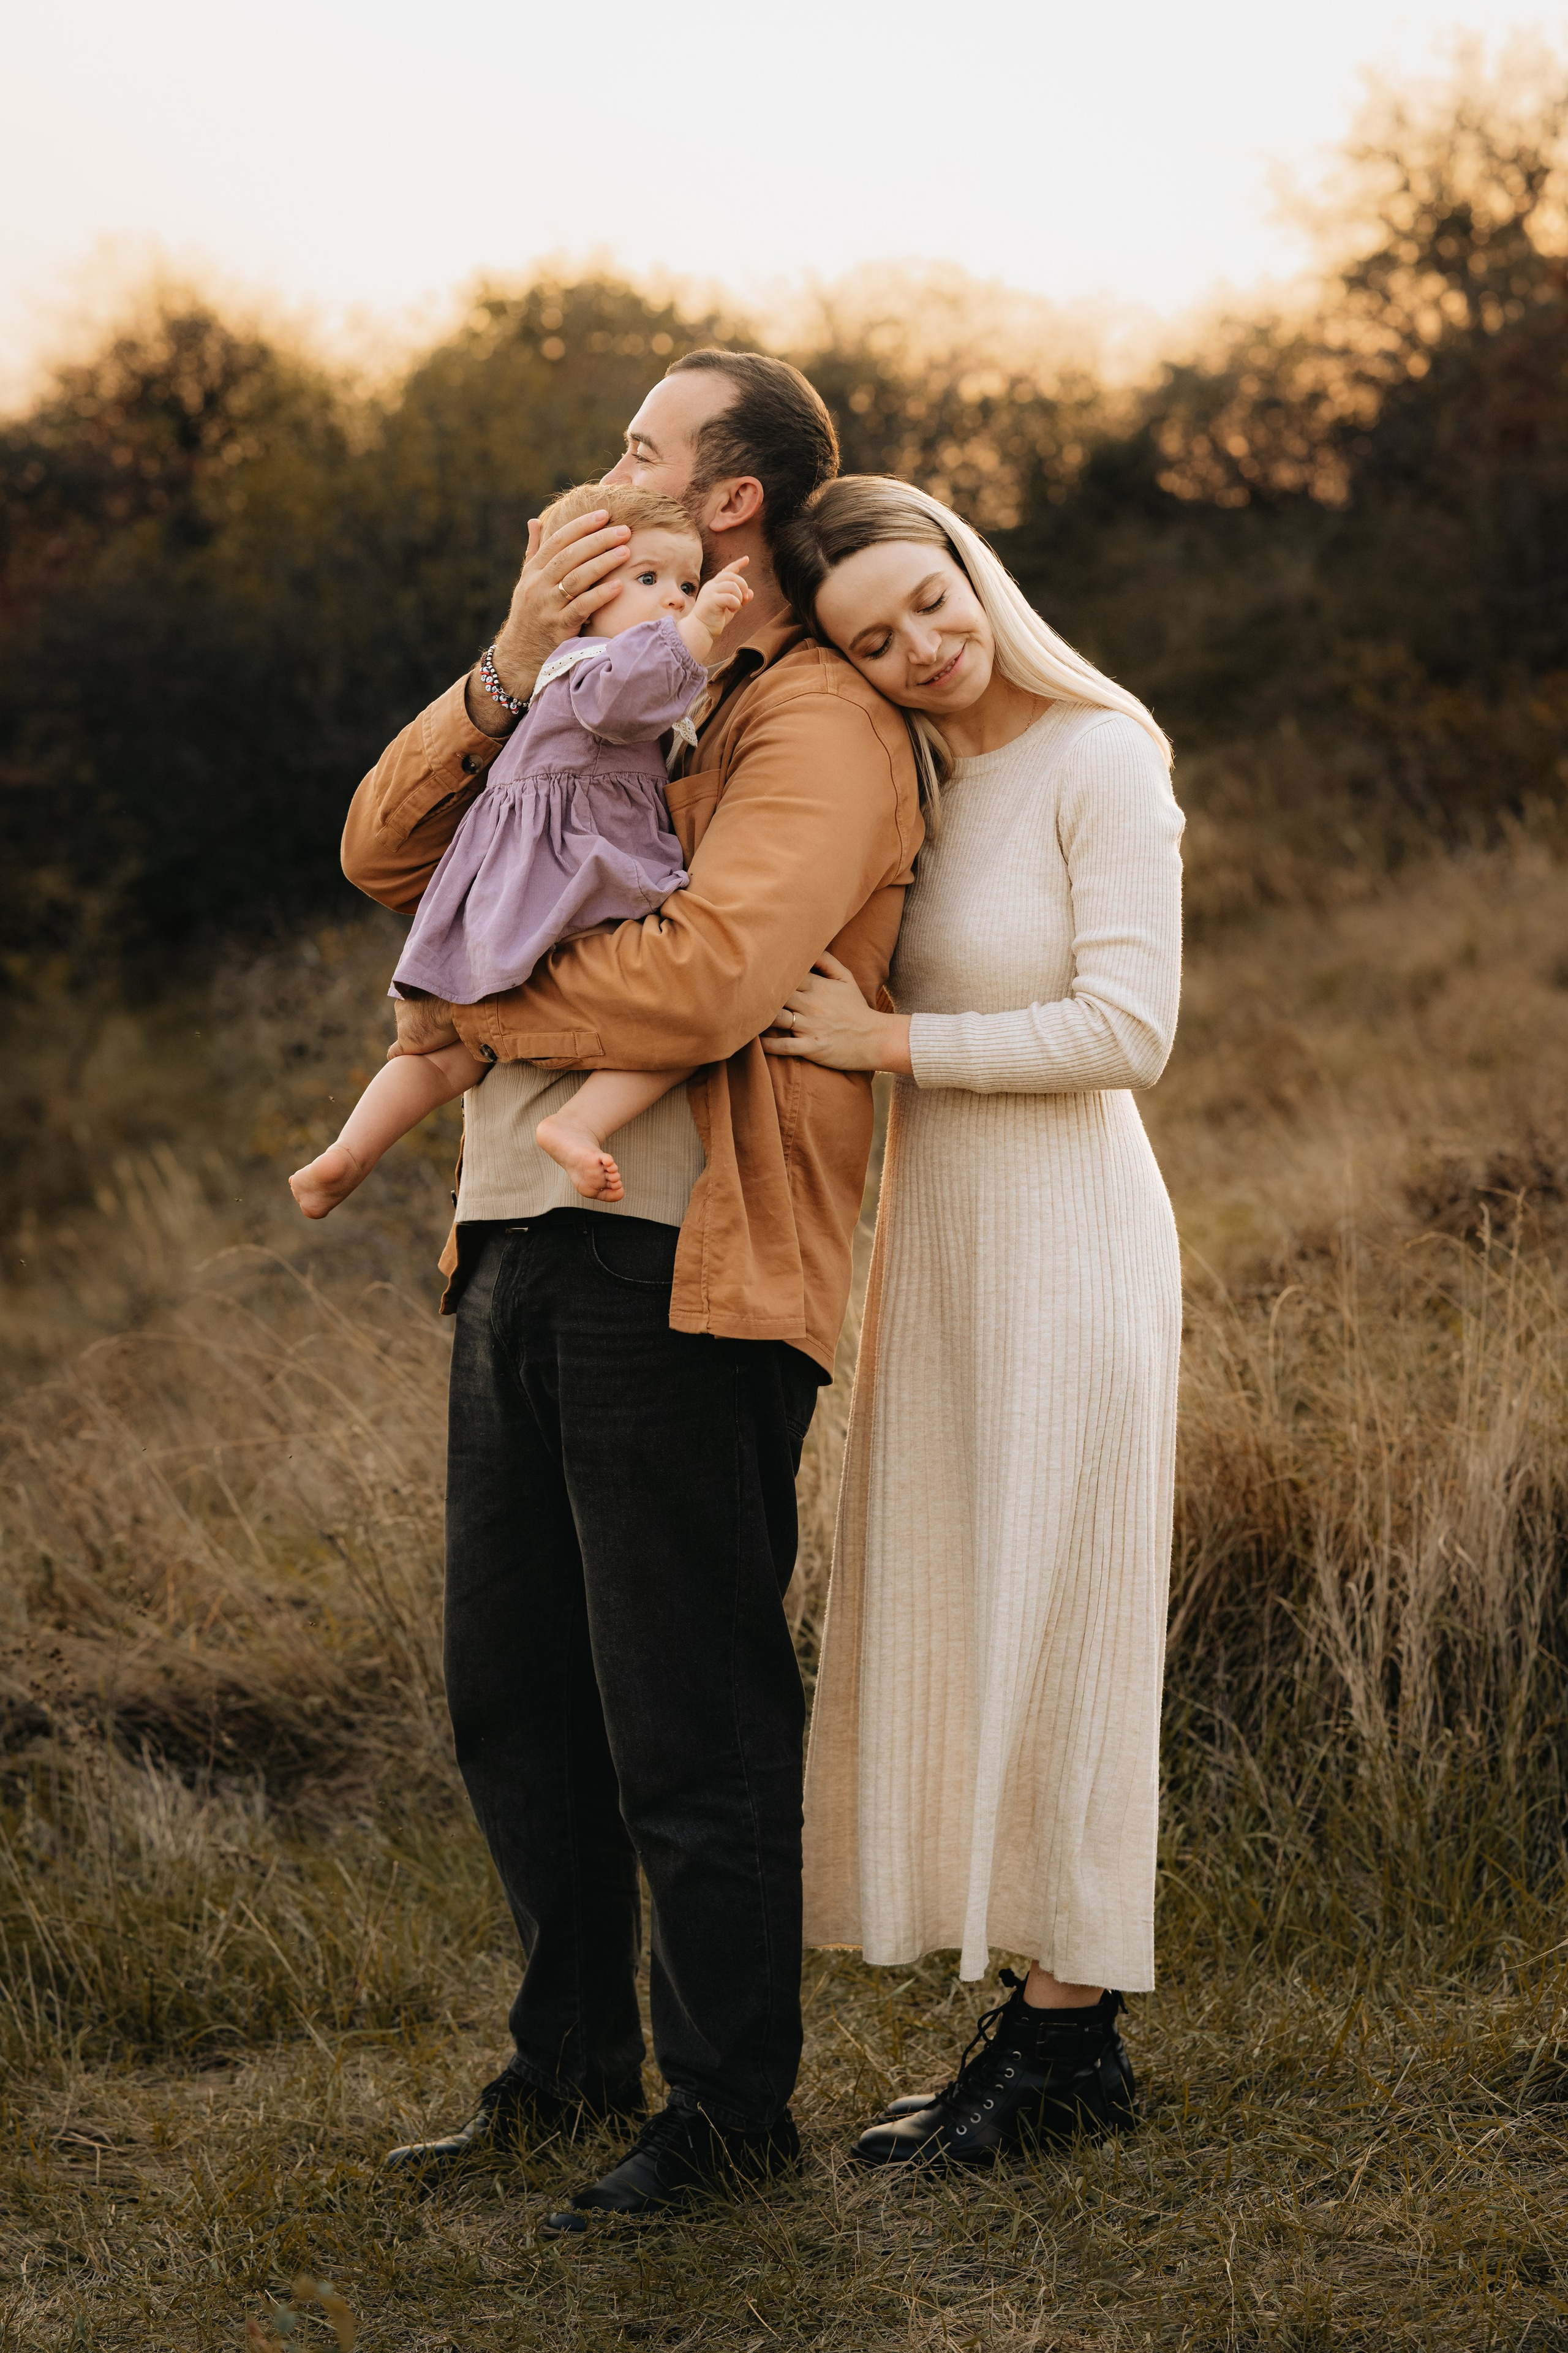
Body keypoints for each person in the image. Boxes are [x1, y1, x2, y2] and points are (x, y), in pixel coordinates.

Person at [337, 354, 924, 2232]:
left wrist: (471, 1014)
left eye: (639, 452)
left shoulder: (815, 714)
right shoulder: (596, 673)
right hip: (517, 1227)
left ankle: (731, 2108)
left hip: (687, 1253)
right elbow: (383, 851)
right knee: (515, 1696)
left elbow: (697, 988)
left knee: (688, 1706)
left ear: (729, 497)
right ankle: (566, 2064)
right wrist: (507, 654)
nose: (606, 477)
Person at [766, 475, 1183, 2167]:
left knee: (1069, 1613)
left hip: (1072, 1239)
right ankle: (1038, 2023)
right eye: (872, 642)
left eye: (928, 605)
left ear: (971, 566)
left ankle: (1075, 2049)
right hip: (946, 1253)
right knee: (988, 1605)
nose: (920, 650)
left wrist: (895, 1051)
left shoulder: (1101, 753)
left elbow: (1130, 1029)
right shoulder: (936, 782)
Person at [288, 483, 752, 1217]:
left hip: (526, 882)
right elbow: (627, 699)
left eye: (687, 583)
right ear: (577, 596)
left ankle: (347, 1154)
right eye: (648, 580)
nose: (673, 599)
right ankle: (579, 1121)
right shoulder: (587, 662)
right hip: (577, 875)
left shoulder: (573, 668)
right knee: (676, 1025)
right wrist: (702, 627)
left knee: (444, 1055)